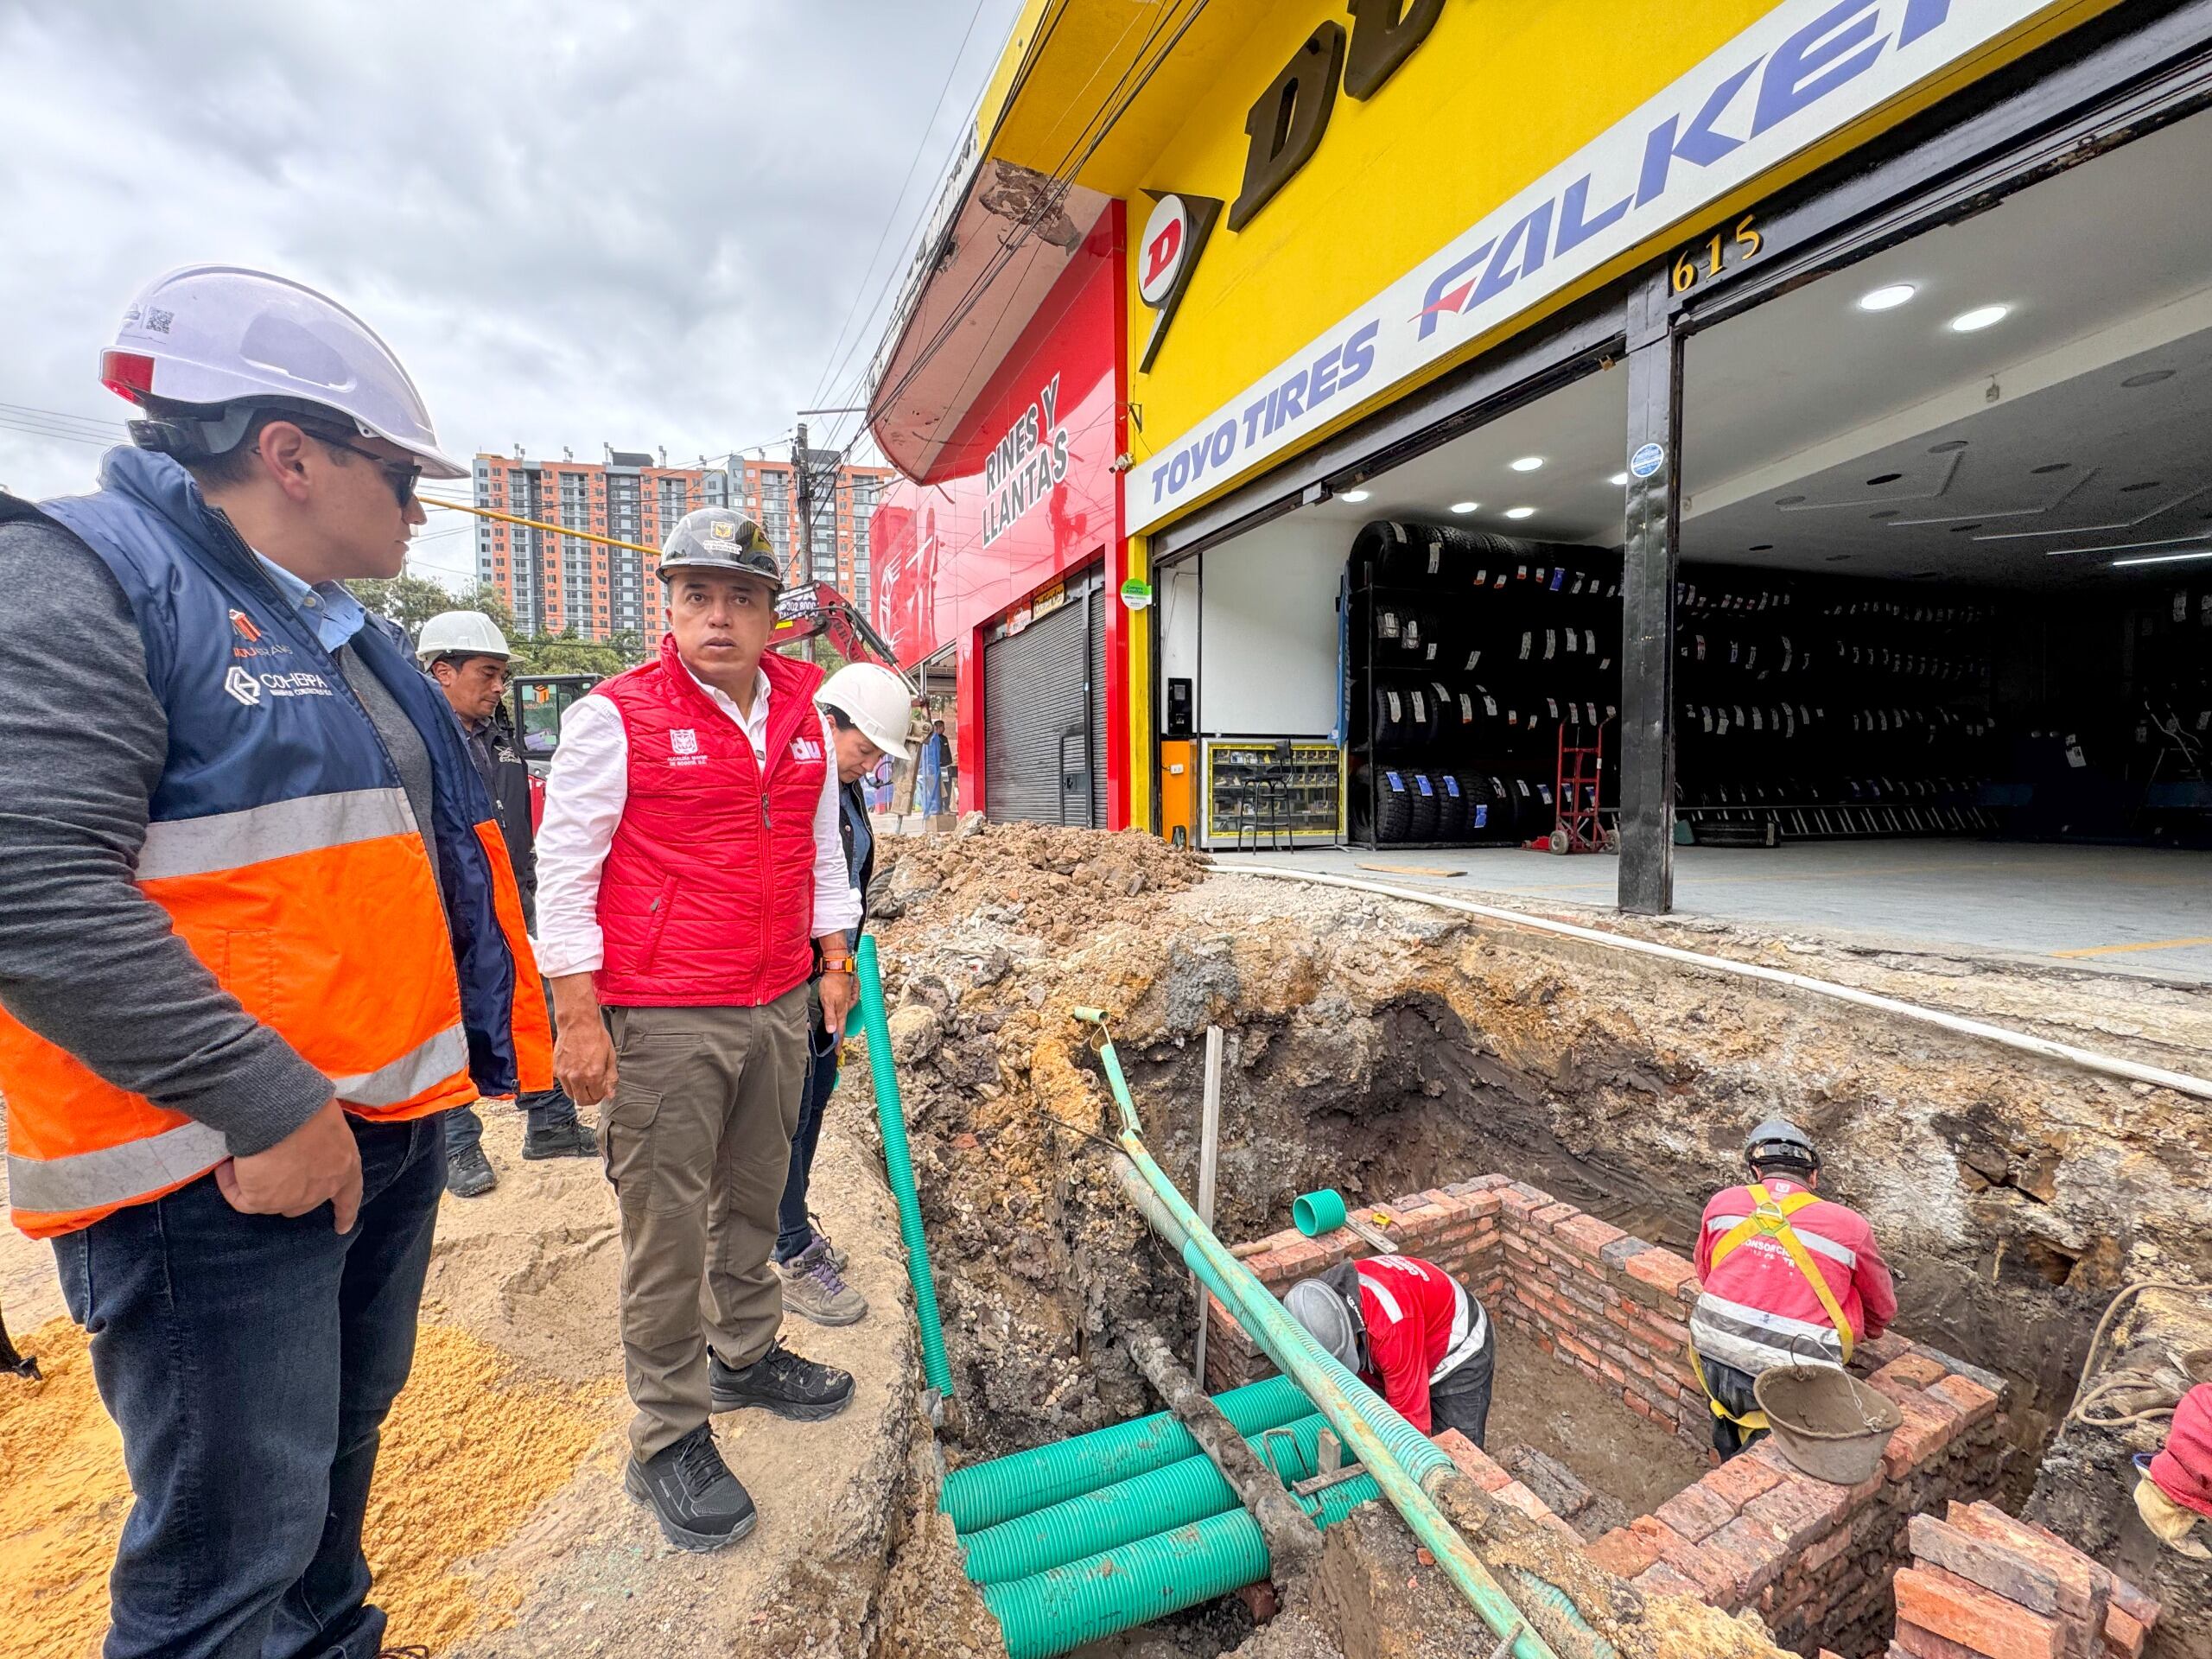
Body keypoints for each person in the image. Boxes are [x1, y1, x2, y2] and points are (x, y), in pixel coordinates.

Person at [0, 265, 551, 1659]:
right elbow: (31, 890)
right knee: (221, 1574)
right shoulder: (88, 577)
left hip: (368, 1137)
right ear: (290, 455)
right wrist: (272, 1102)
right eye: (398, 474)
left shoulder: (344, 632)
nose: (418, 511)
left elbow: (418, 873)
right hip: (216, 1178)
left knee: (325, 1493)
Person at [534, 506, 861, 1554]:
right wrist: (578, 1013)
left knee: (755, 1197)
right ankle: (667, 1434)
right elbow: (567, 868)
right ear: (668, 607)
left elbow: (822, 852)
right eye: (696, 596)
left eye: (740, 598)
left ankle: (745, 1352)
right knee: (665, 1226)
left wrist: (835, 957)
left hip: (774, 1000)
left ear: (774, 618)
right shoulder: (614, 715)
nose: (717, 616)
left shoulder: (804, 712)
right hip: (666, 1012)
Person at [417, 610, 597, 1195]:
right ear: (442, 671)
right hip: (442, 906)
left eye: (502, 677)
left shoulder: (501, 741)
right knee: (447, 1019)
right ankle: (457, 1144)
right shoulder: (416, 747)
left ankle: (549, 1122)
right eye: (488, 675)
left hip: (514, 897)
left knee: (533, 1007)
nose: (499, 689)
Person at [774, 661, 912, 1325]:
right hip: (788, 978)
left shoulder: (843, 789)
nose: (868, 765)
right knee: (787, 1116)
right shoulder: (800, 785)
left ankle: (790, 1225)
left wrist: (842, 964)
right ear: (829, 723)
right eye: (863, 749)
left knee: (814, 1103)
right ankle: (789, 1249)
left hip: (828, 974)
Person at [1688, 1117, 1898, 1458]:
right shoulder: (1851, 1227)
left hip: (1711, 1357)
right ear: (1812, 1177)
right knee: (1776, 1461)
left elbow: (1705, 1270)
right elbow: (1882, 1311)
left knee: (1730, 1428)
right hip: (1794, 1381)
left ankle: (1729, 1463)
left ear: (1757, 1171)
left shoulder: (1722, 1204)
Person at [1285, 1254, 1494, 1442]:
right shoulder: (1317, 1299)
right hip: (1414, 1325)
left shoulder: (1392, 1329)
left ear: (1354, 1332)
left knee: (1455, 1449)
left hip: (1460, 1346)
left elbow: (1410, 1430)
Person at [916, 716, 950, 816]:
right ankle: (936, 808)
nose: (944, 729)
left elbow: (947, 753)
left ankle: (946, 806)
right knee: (935, 788)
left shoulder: (944, 739)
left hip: (945, 768)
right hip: (934, 769)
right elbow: (928, 756)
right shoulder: (931, 740)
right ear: (938, 728)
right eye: (942, 727)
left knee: (946, 786)